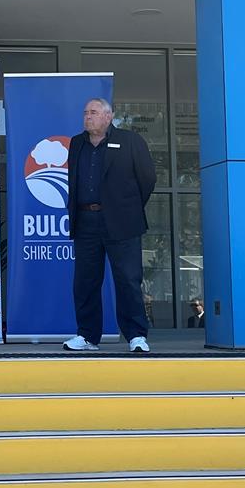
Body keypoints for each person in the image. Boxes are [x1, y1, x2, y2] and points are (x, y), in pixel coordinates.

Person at [63, 98, 157, 353]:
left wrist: (127, 207)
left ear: (108, 116)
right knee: (85, 281)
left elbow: (147, 179)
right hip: (86, 221)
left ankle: (136, 335)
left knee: (127, 279)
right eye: (85, 113)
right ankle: (87, 335)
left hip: (122, 221)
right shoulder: (77, 143)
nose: (87, 117)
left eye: (93, 112)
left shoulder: (130, 141)